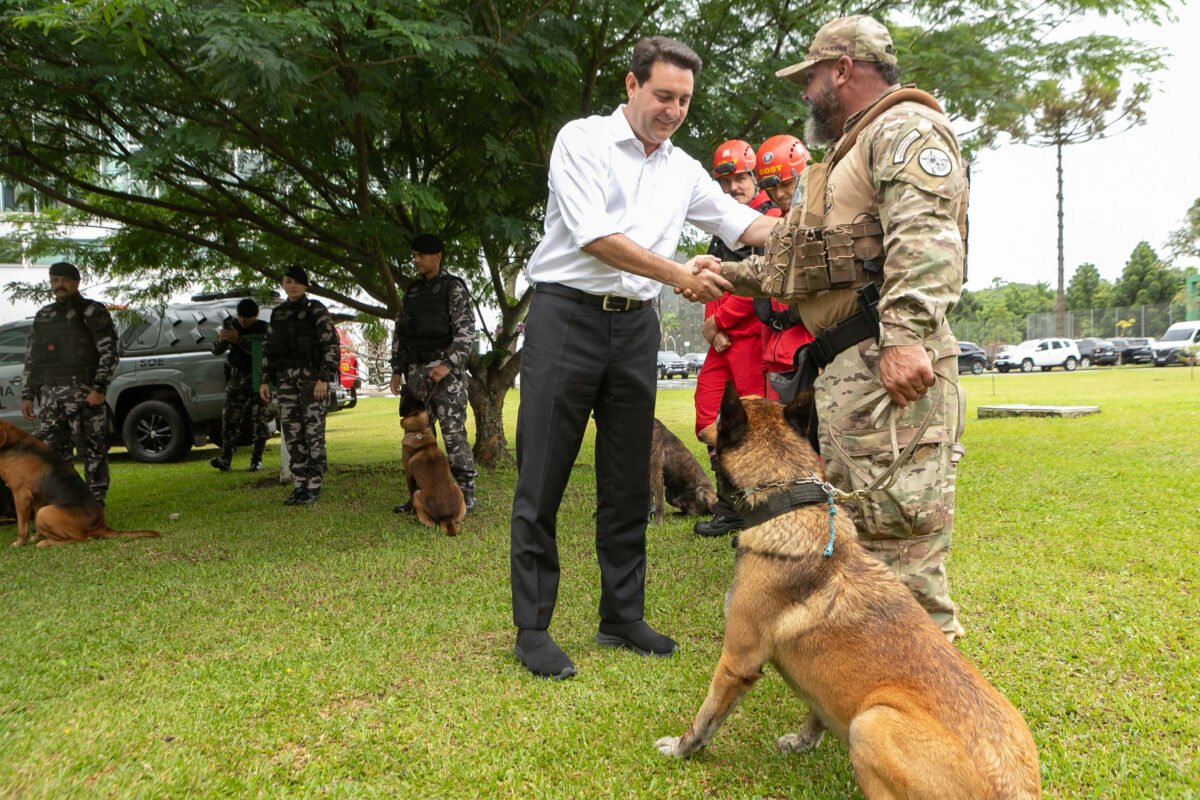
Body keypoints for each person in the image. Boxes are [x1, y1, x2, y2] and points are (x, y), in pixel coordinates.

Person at [509, 36, 779, 679]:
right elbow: (594, 236)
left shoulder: (682, 169)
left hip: (635, 328)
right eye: (663, 95)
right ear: (631, 86)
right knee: (541, 476)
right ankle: (533, 629)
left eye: (684, 100)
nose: (673, 110)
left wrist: (823, 223)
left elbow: (744, 223)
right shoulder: (582, 140)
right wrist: (679, 273)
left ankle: (621, 616)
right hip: (565, 318)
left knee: (629, 477)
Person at [703, 16, 969, 641]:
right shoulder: (847, 155)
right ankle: (880, 674)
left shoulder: (904, 129)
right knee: (866, 538)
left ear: (844, 69)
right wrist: (723, 274)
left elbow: (927, 240)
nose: (805, 91)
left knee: (903, 540)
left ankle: (930, 683)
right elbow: (797, 266)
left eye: (812, 76)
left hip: (885, 363)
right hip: (850, 370)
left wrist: (904, 337)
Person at [691, 140, 782, 539]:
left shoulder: (770, 219)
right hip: (721, 340)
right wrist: (712, 326)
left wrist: (719, 322)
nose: (733, 187)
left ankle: (757, 511)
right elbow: (713, 279)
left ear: (754, 177)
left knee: (752, 422)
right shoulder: (724, 225)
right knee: (708, 417)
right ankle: (730, 507)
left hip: (750, 339)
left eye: (741, 178)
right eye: (725, 182)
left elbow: (763, 282)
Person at [389, 233, 478, 514]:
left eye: (421, 255)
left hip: (446, 376)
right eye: (413, 255)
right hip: (417, 375)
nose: (416, 260)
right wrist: (396, 369)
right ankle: (419, 492)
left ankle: (466, 491)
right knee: (417, 437)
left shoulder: (453, 288)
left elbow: (466, 332)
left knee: (453, 433)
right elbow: (400, 333)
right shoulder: (412, 292)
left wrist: (448, 364)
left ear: (437, 256)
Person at [20, 261, 119, 504]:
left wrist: (99, 389)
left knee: (92, 449)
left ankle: (95, 503)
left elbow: (109, 354)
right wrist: (27, 394)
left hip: (84, 393)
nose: (59, 285)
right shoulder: (44, 315)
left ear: (76, 282)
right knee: (54, 453)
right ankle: (65, 502)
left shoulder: (92, 312)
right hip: (51, 395)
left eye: (64, 280)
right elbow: (33, 358)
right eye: (54, 280)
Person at [259, 266, 340, 506]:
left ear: (305, 285)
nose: (292, 286)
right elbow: (268, 349)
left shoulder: (316, 310)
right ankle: (299, 482)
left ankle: (314, 482)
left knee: (313, 432)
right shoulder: (278, 314)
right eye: (288, 281)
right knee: (292, 433)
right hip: (286, 380)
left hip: (312, 380)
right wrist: (265, 380)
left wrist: (324, 378)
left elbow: (331, 345)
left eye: (297, 282)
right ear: (283, 284)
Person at [752, 135, 815, 396]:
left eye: (786, 184)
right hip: (775, 350)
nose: (779, 194)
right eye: (771, 188)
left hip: (811, 349)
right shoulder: (770, 225)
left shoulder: (823, 217)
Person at [210, 298, 271, 472]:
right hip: (237, 377)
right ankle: (225, 458)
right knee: (230, 418)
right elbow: (215, 350)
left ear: (256, 315)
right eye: (241, 316)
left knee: (259, 419)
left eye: (248, 317)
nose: (243, 321)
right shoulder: (232, 326)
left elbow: (262, 351)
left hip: (259, 377)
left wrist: (238, 340)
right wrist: (222, 339)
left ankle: (256, 460)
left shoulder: (263, 328)